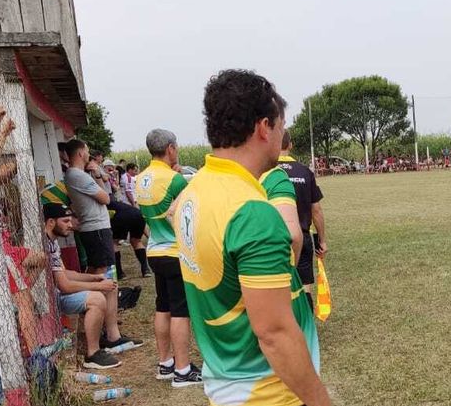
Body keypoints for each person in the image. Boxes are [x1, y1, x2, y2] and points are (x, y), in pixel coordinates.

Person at [173, 69, 329, 406]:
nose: (282, 136)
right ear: (264, 127)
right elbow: (274, 333)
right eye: (281, 126)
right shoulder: (251, 212)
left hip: (225, 383)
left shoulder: (192, 192)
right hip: (269, 393)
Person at [135, 129, 202, 387]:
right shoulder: (175, 180)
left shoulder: (141, 178)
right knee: (180, 312)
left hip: (154, 250)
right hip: (175, 252)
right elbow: (189, 213)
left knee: (162, 307)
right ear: (170, 148)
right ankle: (183, 371)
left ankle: (165, 363)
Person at [43, 203, 140, 369]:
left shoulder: (52, 242)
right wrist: (97, 287)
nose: (70, 225)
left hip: (58, 293)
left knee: (109, 285)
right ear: (51, 222)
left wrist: (94, 278)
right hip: (50, 300)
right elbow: (65, 286)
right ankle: (92, 354)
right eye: (65, 221)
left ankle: (112, 337)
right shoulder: (44, 243)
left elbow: (65, 274)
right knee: (97, 299)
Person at [262, 129, 327, 313]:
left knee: (278, 288)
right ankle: (306, 326)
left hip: (274, 240)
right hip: (303, 236)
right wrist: (322, 240)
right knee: (305, 286)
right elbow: (316, 210)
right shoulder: (305, 172)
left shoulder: (266, 171)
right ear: (290, 145)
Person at [64, 140, 115, 277]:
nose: (89, 154)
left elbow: (104, 194)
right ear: (80, 153)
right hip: (96, 228)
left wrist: (97, 175)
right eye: (87, 151)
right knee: (101, 268)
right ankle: (98, 291)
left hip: (93, 227)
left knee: (94, 267)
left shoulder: (77, 174)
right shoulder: (78, 175)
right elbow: (106, 199)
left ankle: (88, 290)